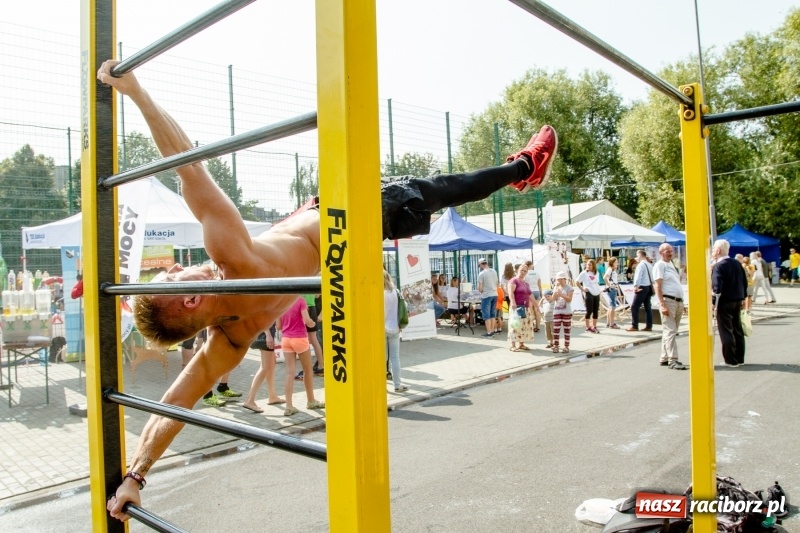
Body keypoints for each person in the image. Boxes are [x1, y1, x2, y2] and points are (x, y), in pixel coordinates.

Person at [98, 61, 558, 521]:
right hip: (346, 221)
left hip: (318, 218)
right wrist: (136, 91)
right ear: (191, 300)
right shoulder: (231, 258)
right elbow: (187, 164)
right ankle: (525, 166)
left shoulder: (229, 339)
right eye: (172, 278)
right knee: (437, 189)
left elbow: (174, 403)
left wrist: (136, 475)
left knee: (430, 190)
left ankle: (519, 169)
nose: (177, 267)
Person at [277, 297, 325, 417]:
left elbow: (278, 326)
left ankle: (289, 406)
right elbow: (307, 320)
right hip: (299, 338)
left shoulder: (281, 302)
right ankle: (311, 401)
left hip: (286, 339)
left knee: (290, 373)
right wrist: (313, 323)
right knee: (308, 371)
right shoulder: (300, 300)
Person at [711, 239, 747, 366]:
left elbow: (717, 287)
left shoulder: (719, 266)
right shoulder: (737, 263)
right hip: (737, 299)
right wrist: (743, 297)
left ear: (718, 251)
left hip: (724, 301)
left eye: (713, 249)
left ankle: (730, 360)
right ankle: (740, 358)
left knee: (726, 330)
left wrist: (713, 302)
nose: (712, 251)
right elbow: (744, 281)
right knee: (737, 329)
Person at [652, 244, 687, 370]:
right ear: (661, 252)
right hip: (668, 300)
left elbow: (675, 283)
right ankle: (673, 359)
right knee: (670, 330)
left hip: (677, 301)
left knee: (670, 331)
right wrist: (662, 304)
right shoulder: (660, 265)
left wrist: (682, 302)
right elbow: (657, 285)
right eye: (668, 251)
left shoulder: (671, 264)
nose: (670, 253)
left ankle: (664, 357)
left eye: (671, 251)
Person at [241, 325, 285, 412]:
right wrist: (268, 335)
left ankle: (272, 396)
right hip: (266, 336)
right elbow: (264, 321)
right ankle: (250, 400)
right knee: (265, 367)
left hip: (266, 335)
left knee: (271, 365)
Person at [384, 270, 408, 393]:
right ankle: (397, 384)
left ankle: (382, 386)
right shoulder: (396, 291)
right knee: (395, 357)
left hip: (382, 328)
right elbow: (404, 307)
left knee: (382, 358)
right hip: (395, 327)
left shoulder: (378, 293)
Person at [295, 294, 324, 381]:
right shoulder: (311, 286)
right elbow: (317, 296)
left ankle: (306, 369)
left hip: (304, 309)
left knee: (305, 340)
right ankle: (321, 366)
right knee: (314, 339)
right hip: (313, 309)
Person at [507, 263, 534, 351]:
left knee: (523, 326)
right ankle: (512, 345)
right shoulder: (514, 280)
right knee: (515, 325)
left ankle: (521, 344)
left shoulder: (526, 283)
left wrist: (536, 305)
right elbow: (510, 292)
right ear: (518, 270)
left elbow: (530, 295)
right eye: (521, 270)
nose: (523, 272)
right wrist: (513, 302)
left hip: (525, 307)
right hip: (517, 307)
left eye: (525, 271)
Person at [627, 250, 653, 332]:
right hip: (648, 286)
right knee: (648, 307)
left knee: (634, 307)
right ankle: (649, 325)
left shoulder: (641, 265)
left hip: (642, 287)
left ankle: (634, 325)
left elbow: (638, 276)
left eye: (637, 256)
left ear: (640, 256)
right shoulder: (649, 265)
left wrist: (636, 286)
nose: (637, 258)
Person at [575, 259, 601, 334]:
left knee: (596, 311)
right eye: (587, 265)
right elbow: (577, 281)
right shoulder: (584, 273)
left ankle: (594, 326)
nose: (588, 266)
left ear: (593, 266)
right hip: (589, 292)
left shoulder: (596, 273)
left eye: (590, 265)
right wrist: (583, 289)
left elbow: (597, 282)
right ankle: (587, 327)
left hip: (596, 293)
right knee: (589, 310)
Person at [551, 271, 574, 353]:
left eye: (561, 279)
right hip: (557, 311)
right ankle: (556, 345)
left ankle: (566, 346)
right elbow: (553, 299)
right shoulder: (556, 287)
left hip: (566, 311)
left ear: (564, 279)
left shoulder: (569, 288)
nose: (559, 281)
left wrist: (561, 295)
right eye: (558, 279)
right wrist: (555, 290)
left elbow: (569, 299)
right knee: (556, 329)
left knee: (567, 329)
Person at [477, 258, 500, 338]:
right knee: (492, 314)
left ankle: (489, 332)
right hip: (495, 294)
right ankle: (492, 330)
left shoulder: (482, 273)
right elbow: (497, 283)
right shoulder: (494, 271)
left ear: (481, 264)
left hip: (486, 295)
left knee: (486, 315)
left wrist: (481, 291)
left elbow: (480, 288)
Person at [524, 260, 543, 332]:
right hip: (536, 291)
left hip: (529, 292)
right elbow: (539, 285)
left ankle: (531, 326)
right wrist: (541, 294)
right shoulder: (537, 273)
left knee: (530, 310)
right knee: (537, 309)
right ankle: (538, 327)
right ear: (531, 265)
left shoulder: (525, 274)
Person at [602, 257, 621, 329]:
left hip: (613, 288)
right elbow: (604, 277)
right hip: (612, 289)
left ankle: (608, 323)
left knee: (611, 306)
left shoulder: (612, 269)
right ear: (612, 263)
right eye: (616, 262)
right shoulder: (610, 269)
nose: (617, 263)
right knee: (612, 306)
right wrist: (610, 285)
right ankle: (612, 324)